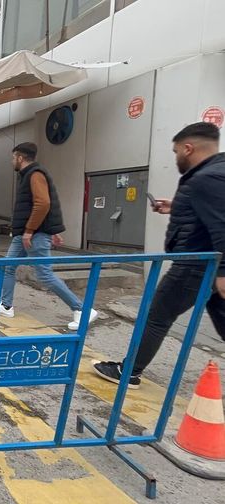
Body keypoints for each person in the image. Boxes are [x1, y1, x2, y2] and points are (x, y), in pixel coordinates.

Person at [93, 122, 225, 388]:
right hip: (207, 264)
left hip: (195, 264)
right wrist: (177, 206)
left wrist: (223, 272)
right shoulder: (216, 171)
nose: (175, 157)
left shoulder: (206, 178)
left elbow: (222, 223)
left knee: (157, 316)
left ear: (188, 148)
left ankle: (128, 371)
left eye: (176, 151)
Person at [0, 142, 98, 330]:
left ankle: (82, 310)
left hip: (32, 234)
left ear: (20, 158)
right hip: (25, 234)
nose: (12, 161)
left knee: (44, 275)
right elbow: (43, 204)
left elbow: (43, 204)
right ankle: (6, 306)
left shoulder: (35, 174)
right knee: (8, 267)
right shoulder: (28, 175)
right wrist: (50, 230)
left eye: (13, 158)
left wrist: (31, 230)